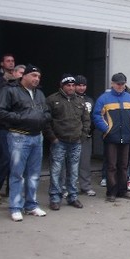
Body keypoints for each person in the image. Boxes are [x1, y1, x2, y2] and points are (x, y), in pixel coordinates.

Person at [0, 64, 50, 221]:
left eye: (38, 76)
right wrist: (21, 119)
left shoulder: (39, 94)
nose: (36, 79)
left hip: (37, 137)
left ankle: (31, 205)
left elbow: (46, 111)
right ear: (24, 76)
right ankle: (15, 207)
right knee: (17, 174)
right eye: (34, 75)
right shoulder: (9, 90)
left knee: (33, 174)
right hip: (19, 136)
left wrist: (45, 118)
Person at [44, 74, 90, 210]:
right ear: (62, 86)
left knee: (73, 171)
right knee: (56, 171)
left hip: (76, 142)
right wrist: (52, 138)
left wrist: (83, 135)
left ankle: (72, 197)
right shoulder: (52, 100)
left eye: (73, 85)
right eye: (68, 85)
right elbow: (46, 121)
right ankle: (55, 198)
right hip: (59, 142)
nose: (71, 88)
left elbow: (86, 120)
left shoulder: (80, 101)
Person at [93, 72, 130, 202]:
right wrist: (107, 129)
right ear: (112, 84)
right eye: (118, 84)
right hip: (111, 138)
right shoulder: (104, 98)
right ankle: (111, 192)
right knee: (111, 166)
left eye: (122, 84)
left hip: (126, 137)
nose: (120, 86)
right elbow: (97, 116)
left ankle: (122, 191)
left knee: (124, 165)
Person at [0, 62, 24, 202]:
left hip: (21, 130)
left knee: (18, 161)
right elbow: (0, 111)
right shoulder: (5, 88)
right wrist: (15, 119)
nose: (22, 76)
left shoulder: (28, 91)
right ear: (14, 74)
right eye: (20, 73)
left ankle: (12, 190)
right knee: (6, 159)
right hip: (7, 129)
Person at [74, 75, 96, 196]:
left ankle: (85, 186)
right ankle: (69, 187)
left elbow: (94, 117)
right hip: (72, 136)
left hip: (86, 136)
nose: (81, 88)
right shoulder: (70, 99)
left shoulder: (90, 100)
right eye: (79, 85)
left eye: (83, 85)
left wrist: (91, 129)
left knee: (85, 163)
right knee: (70, 163)